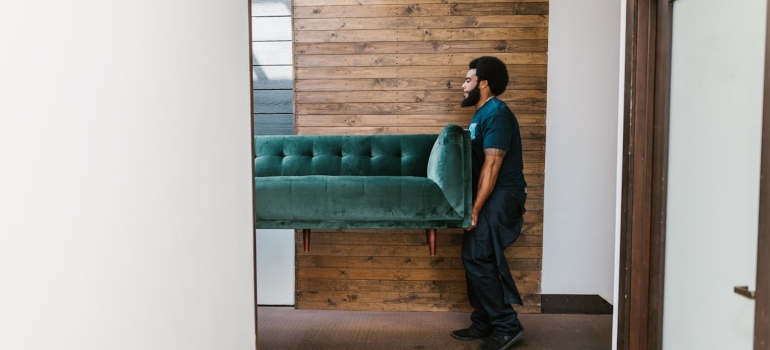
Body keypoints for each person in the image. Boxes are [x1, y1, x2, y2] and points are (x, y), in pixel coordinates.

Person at [451, 56, 528, 350]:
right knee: (474, 257)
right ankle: (483, 323)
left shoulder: (496, 113)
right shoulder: (481, 114)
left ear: (483, 83)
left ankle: (508, 326)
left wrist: (475, 207)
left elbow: (493, 164)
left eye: (468, 80)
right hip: (489, 196)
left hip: (502, 196)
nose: (463, 85)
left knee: (479, 257)